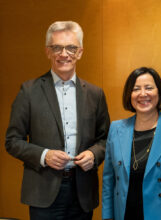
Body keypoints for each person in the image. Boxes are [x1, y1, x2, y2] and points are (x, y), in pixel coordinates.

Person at [5, 21, 110, 220]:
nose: (64, 54)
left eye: (71, 48)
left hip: (83, 192)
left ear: (80, 52)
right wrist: (44, 155)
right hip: (42, 191)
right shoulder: (28, 91)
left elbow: (105, 139)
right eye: (57, 48)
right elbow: (12, 141)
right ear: (48, 51)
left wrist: (93, 154)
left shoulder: (96, 94)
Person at [102, 67, 161, 220]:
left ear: (159, 92)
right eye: (136, 89)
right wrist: (107, 217)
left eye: (149, 88)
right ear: (129, 95)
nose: (143, 94)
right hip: (124, 213)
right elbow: (108, 181)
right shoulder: (116, 129)